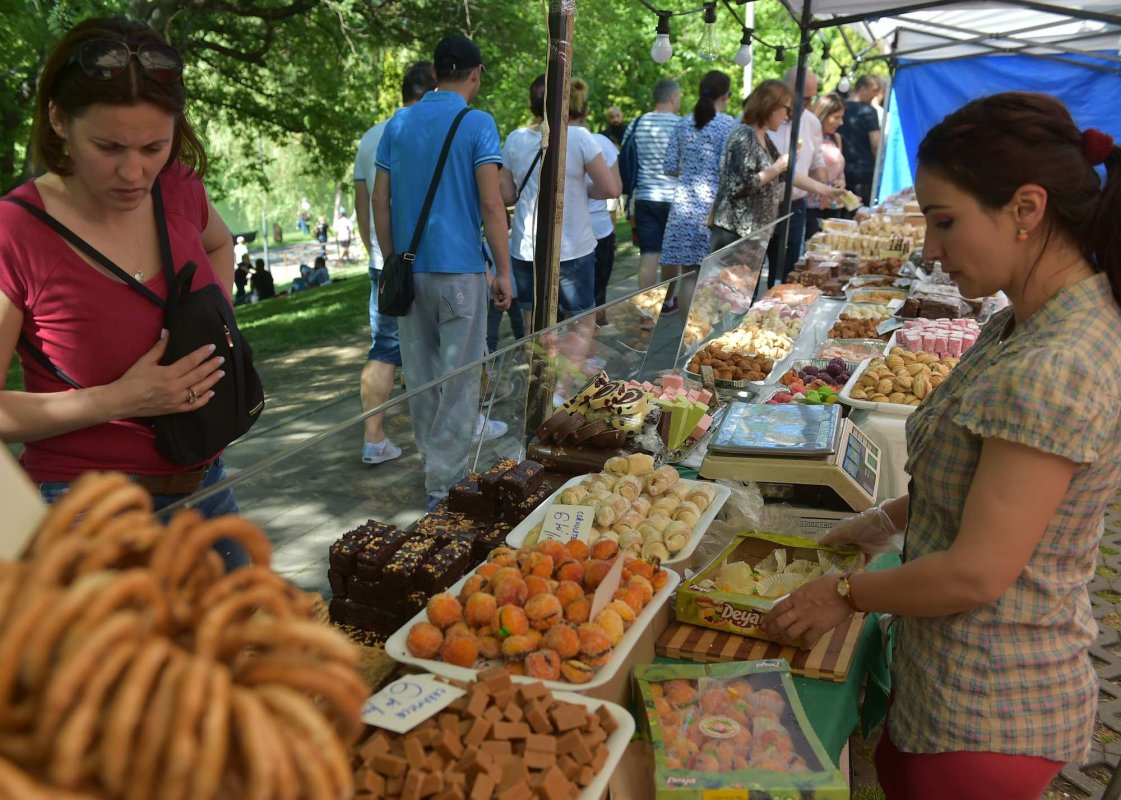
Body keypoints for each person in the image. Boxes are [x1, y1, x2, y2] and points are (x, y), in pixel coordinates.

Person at [762, 93, 1121, 799]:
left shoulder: (1057, 362)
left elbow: (975, 574)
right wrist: (885, 519)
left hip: (988, 709)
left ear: (1026, 208)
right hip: (943, 685)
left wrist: (843, 592)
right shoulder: (1022, 322)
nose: (929, 249)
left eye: (944, 222)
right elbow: (975, 480)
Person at [0, 17, 248, 568]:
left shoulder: (180, 188)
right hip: (88, 510)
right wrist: (123, 399)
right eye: (108, 146)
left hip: (207, 487)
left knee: (255, 650)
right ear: (59, 119)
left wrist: (218, 325)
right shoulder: (14, 232)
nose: (133, 172)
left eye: (153, 146)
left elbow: (219, 246)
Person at [373, 34, 513, 512]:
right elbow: (492, 205)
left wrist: (393, 261)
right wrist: (505, 271)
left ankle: (434, 469)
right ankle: (445, 485)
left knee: (422, 379)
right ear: (474, 75)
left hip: (410, 274)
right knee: (458, 382)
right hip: (461, 276)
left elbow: (380, 200)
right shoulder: (478, 124)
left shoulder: (399, 123)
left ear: (434, 73)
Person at [354, 61, 436, 466]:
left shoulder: (371, 136)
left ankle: (374, 439)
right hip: (423, 258)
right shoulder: (425, 132)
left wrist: (376, 250)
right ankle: (448, 432)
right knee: (437, 344)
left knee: (384, 347)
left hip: (382, 262)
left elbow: (363, 201)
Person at [500, 75, 619, 326]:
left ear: (532, 104)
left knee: (533, 326)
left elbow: (507, 194)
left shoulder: (514, 139)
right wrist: (583, 189)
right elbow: (610, 188)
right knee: (581, 321)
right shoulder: (578, 137)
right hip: (572, 247)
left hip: (526, 248)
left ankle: (538, 366)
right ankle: (571, 366)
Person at [659, 70, 736, 315]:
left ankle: (685, 337)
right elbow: (731, 170)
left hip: (683, 206)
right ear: (725, 95)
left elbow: (670, 166)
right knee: (711, 276)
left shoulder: (682, 124)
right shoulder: (728, 125)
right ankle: (702, 338)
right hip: (712, 209)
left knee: (689, 274)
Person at [765, 68, 843, 287]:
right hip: (761, 210)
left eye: (811, 99)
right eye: (805, 98)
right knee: (747, 280)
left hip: (795, 208)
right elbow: (781, 173)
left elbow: (816, 162)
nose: (809, 104)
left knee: (787, 274)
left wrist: (826, 187)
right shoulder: (761, 123)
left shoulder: (810, 122)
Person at [708, 80, 791, 254]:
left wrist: (825, 190)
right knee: (726, 282)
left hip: (754, 236)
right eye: (786, 109)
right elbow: (742, 184)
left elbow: (782, 175)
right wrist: (776, 168)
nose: (786, 117)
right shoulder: (744, 136)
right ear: (771, 106)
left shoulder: (764, 138)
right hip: (735, 233)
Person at [624, 78, 682, 309]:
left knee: (649, 254)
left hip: (645, 198)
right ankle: (667, 303)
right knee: (671, 256)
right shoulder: (682, 126)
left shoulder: (637, 124)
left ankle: (647, 311)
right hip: (674, 200)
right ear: (672, 97)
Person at [572, 100, 621, 326]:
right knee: (596, 300)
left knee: (569, 308)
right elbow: (614, 188)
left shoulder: (538, 140)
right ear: (586, 110)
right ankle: (592, 353)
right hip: (598, 231)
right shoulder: (598, 142)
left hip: (564, 234)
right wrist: (587, 190)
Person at [805, 93, 846, 241]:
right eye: (836, 117)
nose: (840, 122)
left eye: (841, 117)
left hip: (834, 206)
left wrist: (842, 182)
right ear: (823, 115)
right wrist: (821, 189)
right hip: (812, 206)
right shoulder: (808, 138)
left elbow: (840, 170)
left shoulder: (836, 138)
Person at [840, 75, 882, 208]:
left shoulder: (841, 107)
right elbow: (876, 144)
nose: (875, 95)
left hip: (841, 170)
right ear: (862, 88)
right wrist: (879, 165)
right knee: (862, 212)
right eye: (873, 90)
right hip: (864, 170)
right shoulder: (869, 112)